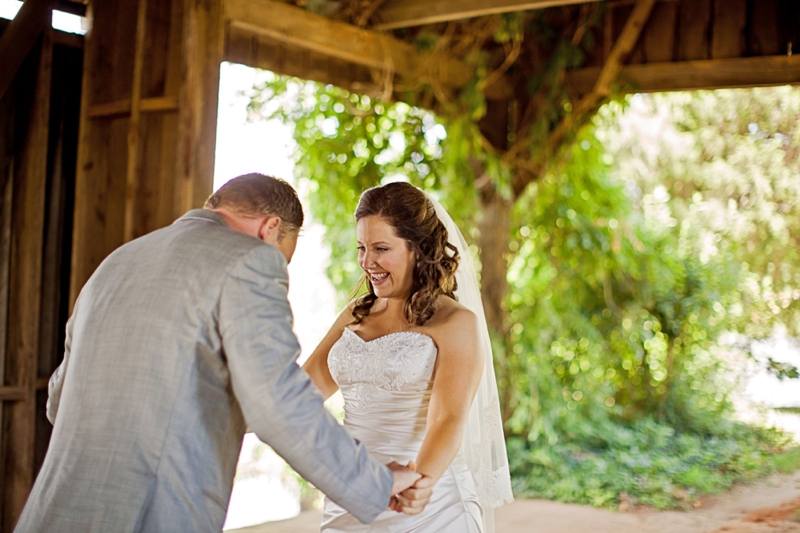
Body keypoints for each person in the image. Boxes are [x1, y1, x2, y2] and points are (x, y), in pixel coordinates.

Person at [15, 174, 425, 533]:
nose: (277, 270)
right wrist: (373, 483)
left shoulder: (118, 262)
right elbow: (276, 402)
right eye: (283, 261)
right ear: (270, 229)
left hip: (54, 512)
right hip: (154, 513)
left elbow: (58, 399)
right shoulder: (250, 260)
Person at [303, 181, 513, 533]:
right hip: (351, 498)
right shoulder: (355, 313)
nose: (367, 262)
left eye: (381, 248)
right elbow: (299, 392)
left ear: (419, 248)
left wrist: (421, 480)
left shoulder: (455, 322)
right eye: (361, 248)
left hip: (430, 505)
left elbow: (448, 417)